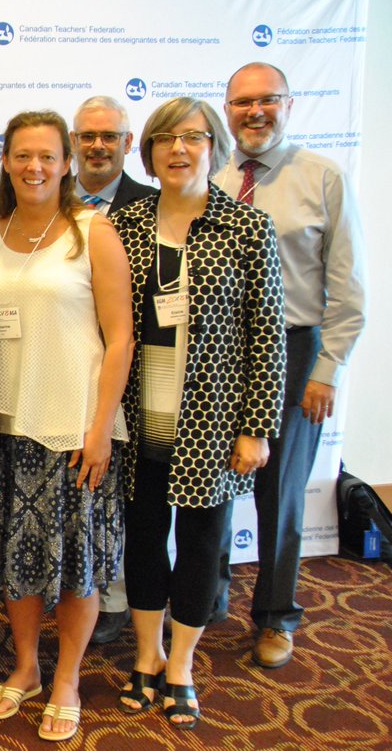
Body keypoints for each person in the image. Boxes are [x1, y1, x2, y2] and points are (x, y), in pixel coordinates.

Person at [110, 97, 286, 730]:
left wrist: (256, 426)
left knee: (203, 545)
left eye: (192, 138)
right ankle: (148, 655)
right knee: (145, 542)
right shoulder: (121, 224)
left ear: (214, 146)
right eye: (165, 140)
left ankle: (182, 662)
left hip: (212, 421)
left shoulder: (245, 227)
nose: (178, 150)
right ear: (150, 152)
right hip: (137, 421)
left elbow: (267, 333)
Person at [0, 111, 133, 743]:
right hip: (5, 428)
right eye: (21, 155)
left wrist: (99, 430)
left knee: (76, 564)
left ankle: (66, 679)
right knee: (18, 562)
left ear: (66, 163)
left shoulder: (92, 231)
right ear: (5, 161)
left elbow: (120, 340)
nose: (34, 166)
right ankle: (28, 667)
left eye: (47, 156)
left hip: (73, 431)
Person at [212, 63, 366, 670]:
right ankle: (209, 598)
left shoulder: (322, 178)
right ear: (226, 109)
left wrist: (327, 369)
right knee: (213, 483)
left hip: (296, 350)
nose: (255, 112)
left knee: (281, 494)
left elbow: (348, 289)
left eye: (267, 100)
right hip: (221, 351)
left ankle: (276, 616)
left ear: (289, 103)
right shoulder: (213, 177)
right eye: (242, 102)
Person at [69, 95, 158, 645]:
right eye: (87, 136)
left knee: (135, 495)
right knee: (88, 492)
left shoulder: (152, 207)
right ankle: (90, 593)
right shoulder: (49, 208)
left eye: (110, 137)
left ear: (128, 144)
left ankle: (121, 598)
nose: (97, 146)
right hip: (72, 372)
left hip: (142, 370)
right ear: (73, 144)